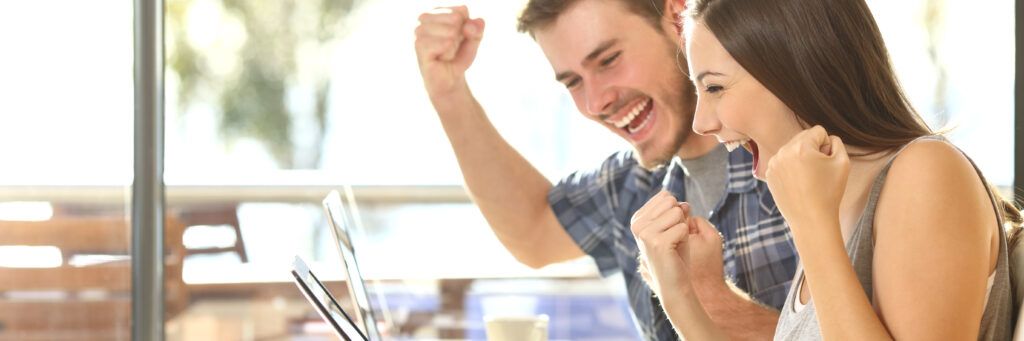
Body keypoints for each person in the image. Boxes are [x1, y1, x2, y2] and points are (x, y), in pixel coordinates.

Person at [632, 0, 1022, 339]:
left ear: (796, 71)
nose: (701, 123)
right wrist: (679, 297)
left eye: (714, 87)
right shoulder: (835, 210)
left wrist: (811, 225)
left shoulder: (925, 172)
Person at [413, 0, 797, 339]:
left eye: (609, 60)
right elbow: (533, 232)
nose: (596, 102)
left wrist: (705, 297)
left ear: (678, 17)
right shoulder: (634, 185)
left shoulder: (795, 156)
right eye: (573, 82)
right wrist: (448, 92)